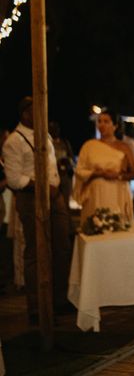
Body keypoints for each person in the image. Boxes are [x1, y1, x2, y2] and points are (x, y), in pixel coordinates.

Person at [2, 97, 72, 324]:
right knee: (35, 249)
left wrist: (56, 185)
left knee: (61, 246)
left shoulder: (46, 135)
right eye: (35, 110)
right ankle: (36, 305)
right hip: (31, 198)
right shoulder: (14, 140)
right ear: (24, 114)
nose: (40, 114)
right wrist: (41, 186)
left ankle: (59, 299)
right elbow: (14, 179)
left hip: (56, 195)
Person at [73, 109, 134, 226]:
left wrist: (117, 175)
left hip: (117, 192)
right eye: (99, 121)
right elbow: (79, 170)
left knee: (116, 227)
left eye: (106, 121)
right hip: (95, 193)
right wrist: (95, 173)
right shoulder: (89, 146)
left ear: (115, 125)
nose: (101, 124)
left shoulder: (125, 147)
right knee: (96, 226)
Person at [48, 121, 75, 209]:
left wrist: (67, 161)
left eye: (56, 128)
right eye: (51, 128)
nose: (54, 130)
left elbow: (71, 159)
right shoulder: (46, 143)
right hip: (51, 176)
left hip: (64, 176)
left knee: (64, 203)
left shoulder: (64, 143)